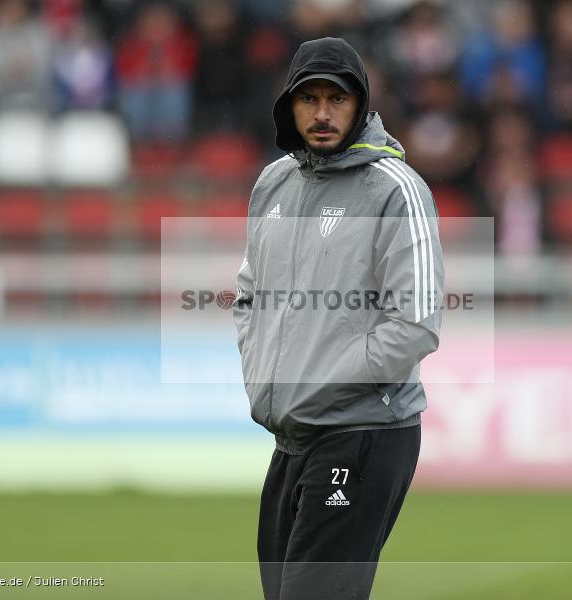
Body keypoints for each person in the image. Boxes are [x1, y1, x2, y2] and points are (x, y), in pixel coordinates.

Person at [232, 37, 444, 600]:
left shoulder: (397, 190)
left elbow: (416, 324)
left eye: (337, 99)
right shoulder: (273, 183)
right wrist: (267, 377)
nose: (322, 114)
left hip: (365, 433)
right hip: (293, 435)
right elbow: (251, 294)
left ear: (361, 104)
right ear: (288, 106)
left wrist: (324, 381)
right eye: (309, 99)